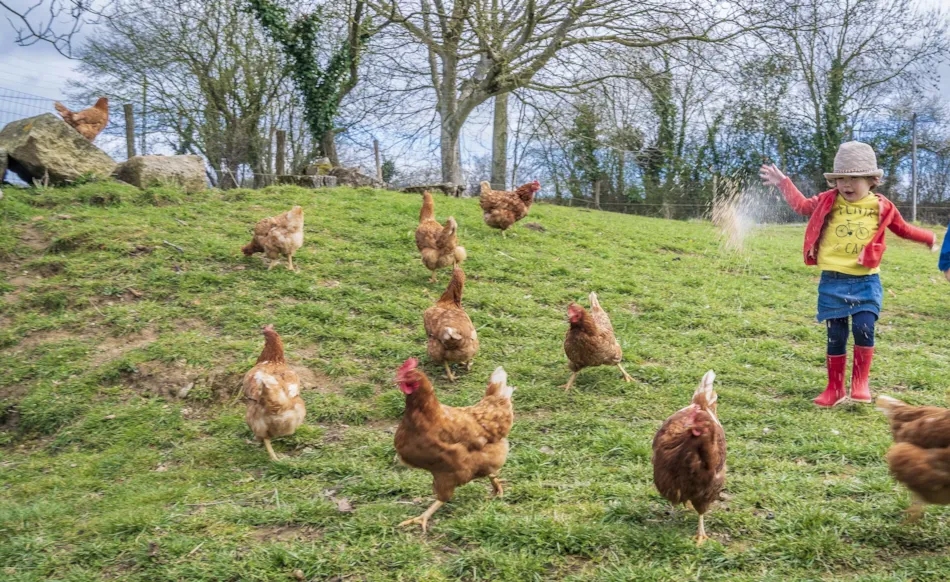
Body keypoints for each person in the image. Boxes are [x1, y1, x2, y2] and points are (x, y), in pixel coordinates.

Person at [760, 141, 936, 407]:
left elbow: (902, 229)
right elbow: (801, 206)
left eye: (854, 178)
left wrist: (928, 237)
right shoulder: (828, 200)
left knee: (865, 327)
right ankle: (834, 388)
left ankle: (859, 382)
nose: (846, 184)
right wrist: (783, 182)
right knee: (836, 334)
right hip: (832, 280)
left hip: (866, 281)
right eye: (841, 178)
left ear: (872, 180)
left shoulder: (882, 206)